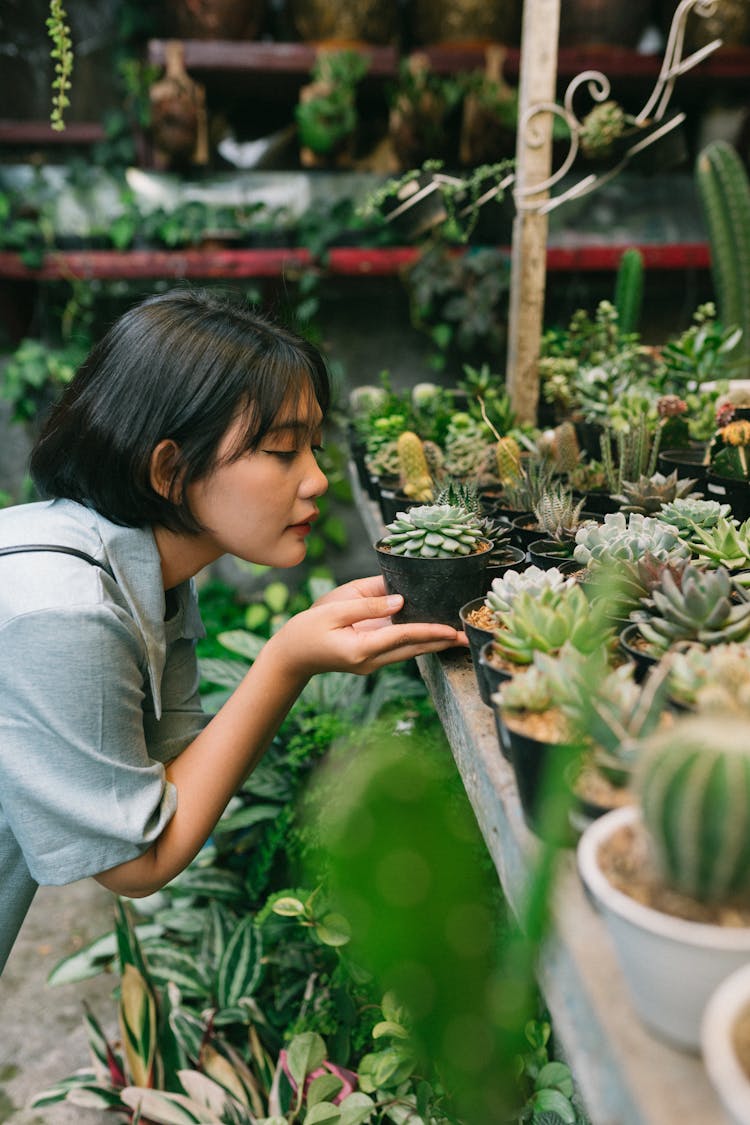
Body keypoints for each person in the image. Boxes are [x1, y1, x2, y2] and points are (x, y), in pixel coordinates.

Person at [0, 288, 466, 974]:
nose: (316, 478)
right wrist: (287, 658)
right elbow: (138, 861)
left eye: (312, 444)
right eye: (282, 451)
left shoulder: (128, 568)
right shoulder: (65, 611)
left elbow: (169, 780)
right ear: (168, 469)